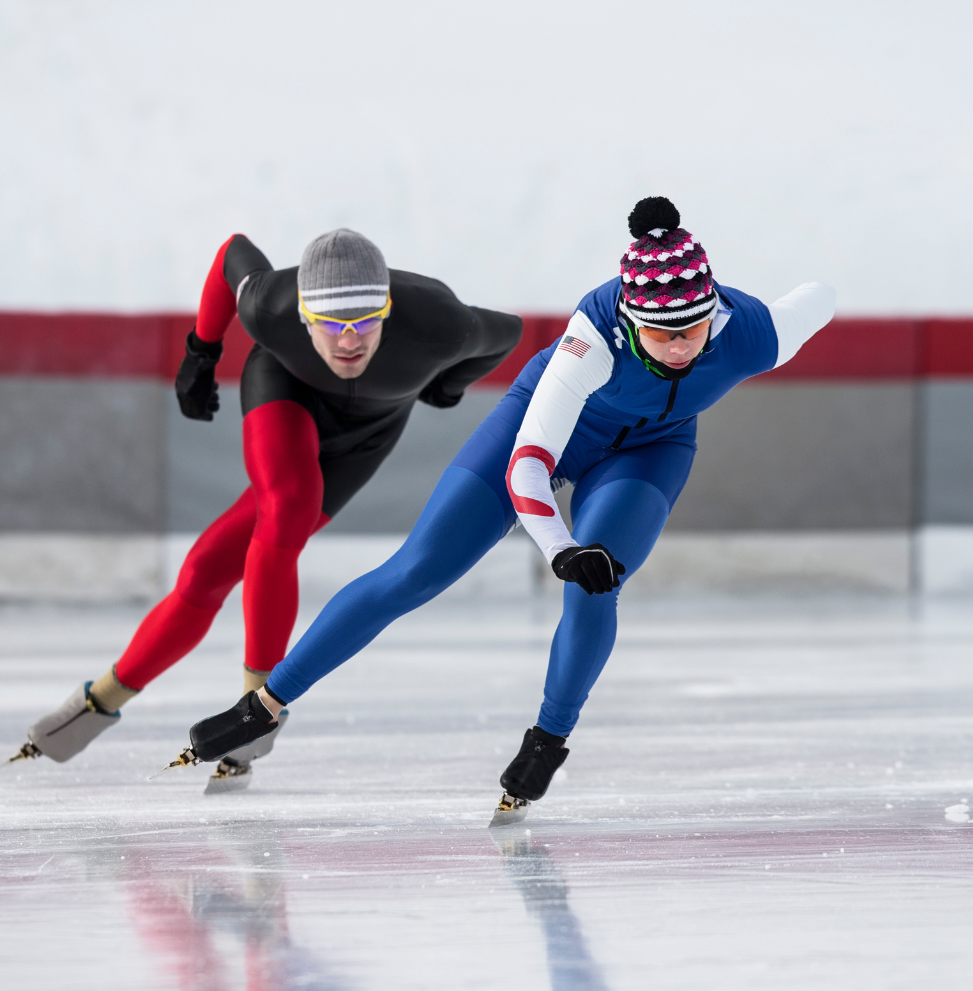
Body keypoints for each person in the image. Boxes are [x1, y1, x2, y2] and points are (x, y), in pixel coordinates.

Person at [173, 197, 836, 820]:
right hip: (543, 430)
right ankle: (265, 704)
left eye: (693, 330)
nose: (681, 348)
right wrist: (558, 548)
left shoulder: (751, 334)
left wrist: (584, 559)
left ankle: (549, 740)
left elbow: (819, 298)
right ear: (631, 321)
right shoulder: (591, 341)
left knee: (598, 585)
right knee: (418, 570)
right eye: (661, 335)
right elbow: (529, 467)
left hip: (651, 450)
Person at [11, 229, 522, 790]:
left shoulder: (439, 323)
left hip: (366, 437)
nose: (347, 342)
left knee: (210, 566)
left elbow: (509, 334)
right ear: (302, 316)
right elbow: (232, 250)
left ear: (389, 310)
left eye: (365, 322)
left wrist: (451, 384)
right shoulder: (268, 304)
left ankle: (130, 706)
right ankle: (239, 709)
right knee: (284, 510)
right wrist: (200, 352)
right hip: (285, 389)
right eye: (329, 324)